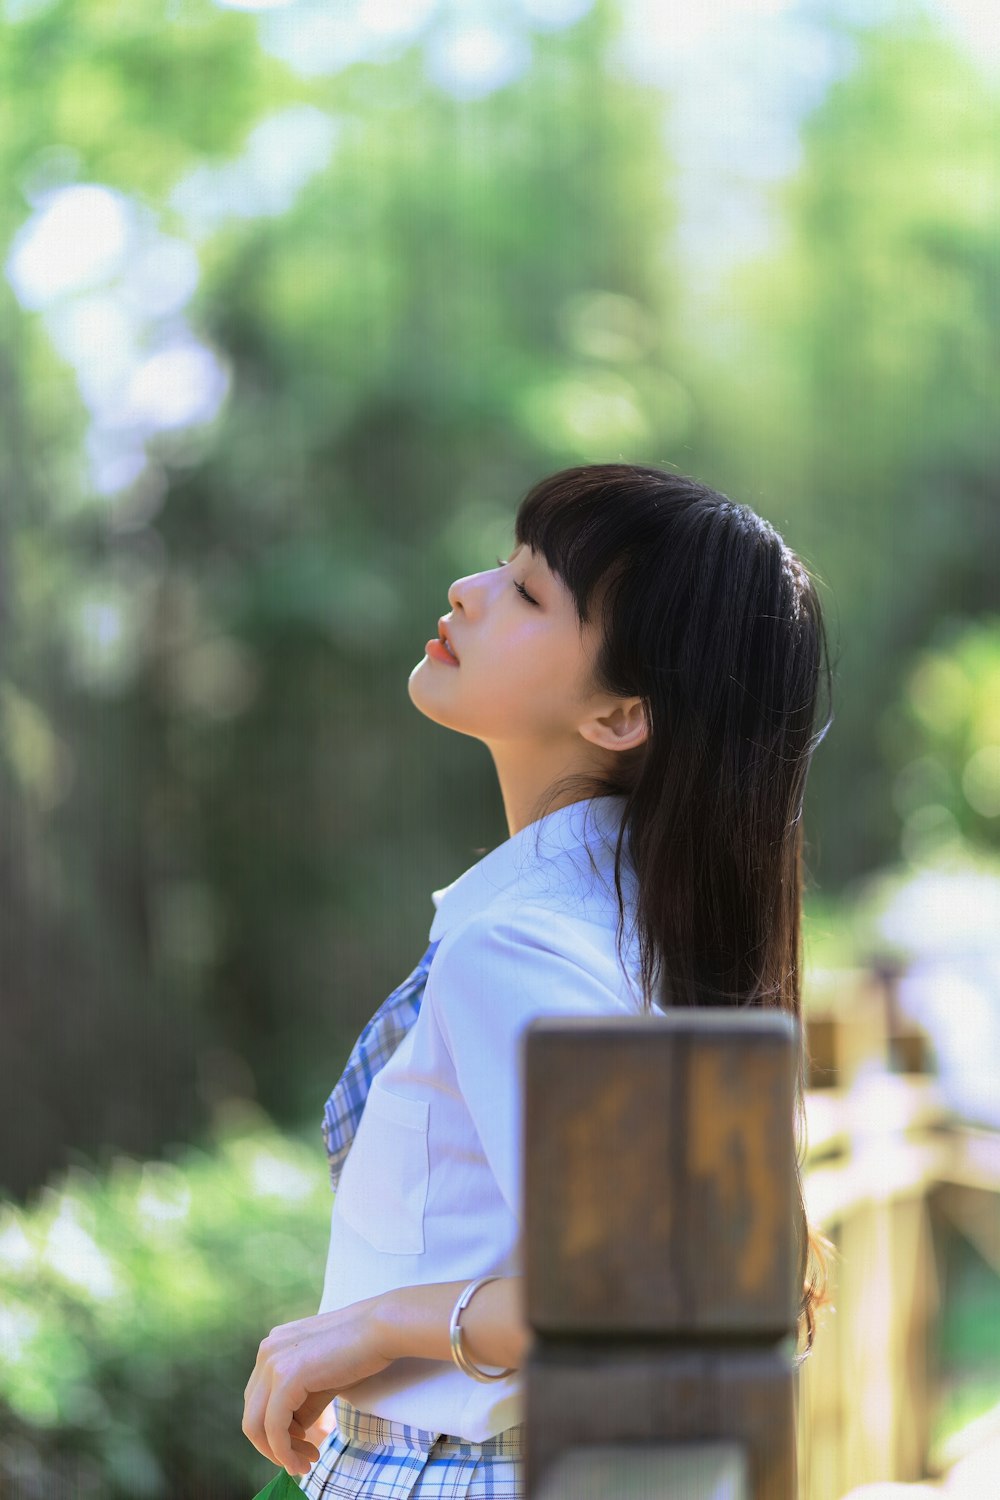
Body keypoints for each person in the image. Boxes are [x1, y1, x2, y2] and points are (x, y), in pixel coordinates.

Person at [241, 461, 837, 1498]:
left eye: (526, 592)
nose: (469, 588)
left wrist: (378, 1325)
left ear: (617, 716)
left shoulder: (515, 944)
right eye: (504, 566)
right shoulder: (647, 926)